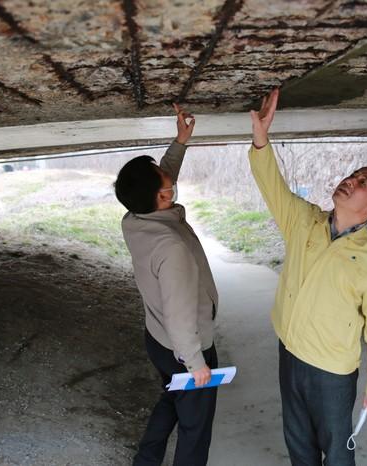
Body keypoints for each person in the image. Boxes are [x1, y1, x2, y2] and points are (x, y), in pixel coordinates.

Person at [248, 89, 367, 466]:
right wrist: (261, 139)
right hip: (289, 353)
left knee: (336, 453)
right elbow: (272, 186)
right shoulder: (304, 221)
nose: (350, 180)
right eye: (353, 175)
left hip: (331, 372)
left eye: (363, 182)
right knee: (298, 447)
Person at [115, 104, 219, 466]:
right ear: (160, 199)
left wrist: (179, 143)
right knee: (195, 427)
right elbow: (178, 313)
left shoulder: (134, 217)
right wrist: (196, 363)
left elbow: (160, 179)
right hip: (184, 346)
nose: (170, 183)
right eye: (165, 187)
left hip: (157, 340)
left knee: (172, 399)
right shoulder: (170, 247)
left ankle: (146, 460)